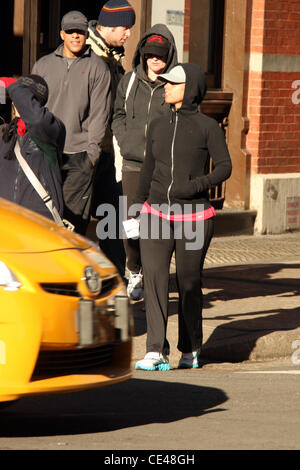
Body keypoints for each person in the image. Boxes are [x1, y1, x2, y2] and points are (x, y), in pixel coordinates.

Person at [133, 64, 232, 371]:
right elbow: (148, 170)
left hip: (194, 216)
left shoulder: (208, 127)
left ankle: (190, 348)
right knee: (154, 279)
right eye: (165, 83)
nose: (166, 87)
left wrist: (195, 185)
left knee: (188, 282)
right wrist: (137, 208)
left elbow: (224, 167)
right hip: (156, 213)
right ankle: (155, 350)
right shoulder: (158, 124)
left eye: (174, 83)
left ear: (190, 89)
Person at [112, 24, 178, 300]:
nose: (155, 59)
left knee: (157, 224)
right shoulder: (128, 82)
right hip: (133, 164)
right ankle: (134, 268)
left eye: (160, 55)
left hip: (162, 168)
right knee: (131, 223)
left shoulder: (174, 87)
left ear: (169, 56)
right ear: (142, 54)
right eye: (150, 54)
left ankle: (153, 274)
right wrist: (127, 143)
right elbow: (117, 115)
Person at [32, 10, 112, 235]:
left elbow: (99, 114)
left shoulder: (98, 68)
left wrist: (92, 155)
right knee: (44, 218)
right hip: (45, 152)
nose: (75, 36)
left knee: (73, 223)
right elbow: (33, 108)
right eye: (70, 31)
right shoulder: (43, 66)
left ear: (87, 35)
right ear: (62, 34)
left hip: (80, 156)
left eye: (80, 32)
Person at [87, 0, 136, 278]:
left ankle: (115, 282)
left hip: (108, 154)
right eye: (124, 27)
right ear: (106, 25)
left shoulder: (114, 56)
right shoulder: (88, 55)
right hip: (86, 154)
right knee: (77, 224)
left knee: (112, 221)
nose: (128, 33)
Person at [0, 75, 65, 220]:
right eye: (15, 97)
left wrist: (12, 85)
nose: (18, 102)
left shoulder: (52, 130)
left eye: (25, 97)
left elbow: (36, 119)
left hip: (39, 222)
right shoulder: (4, 133)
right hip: (6, 220)